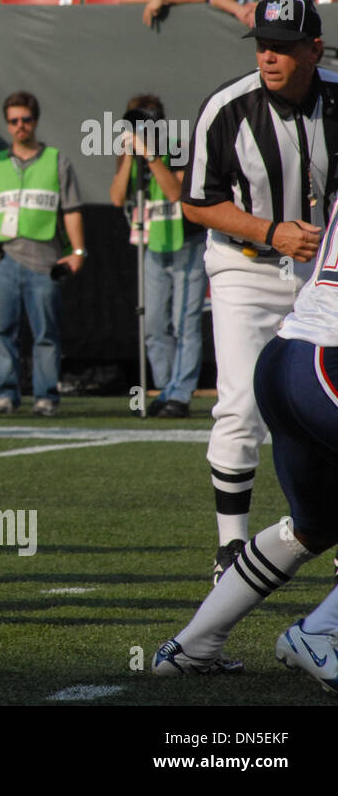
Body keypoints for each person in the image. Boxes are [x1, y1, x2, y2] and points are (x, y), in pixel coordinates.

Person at [153, 182, 338, 688]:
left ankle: (192, 645)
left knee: (315, 526)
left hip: (287, 357)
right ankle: (320, 632)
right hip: (326, 361)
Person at [181, 0, 337, 583]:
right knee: (242, 404)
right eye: (263, 45)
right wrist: (272, 231)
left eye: (282, 46)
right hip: (246, 266)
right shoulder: (228, 107)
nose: (269, 57)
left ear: (313, 49)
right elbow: (197, 203)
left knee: (330, 399)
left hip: (325, 274)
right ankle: (230, 548)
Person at [0, 91, 86, 417]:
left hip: (45, 259)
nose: (20, 126)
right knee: (1, 329)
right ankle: (6, 394)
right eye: (14, 121)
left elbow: (72, 210)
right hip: (1, 259)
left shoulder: (57, 160)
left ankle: (46, 396)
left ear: (35, 121)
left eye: (25, 119)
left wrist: (78, 251)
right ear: (8, 124)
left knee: (45, 333)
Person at [106, 94, 205, 417]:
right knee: (153, 324)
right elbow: (118, 196)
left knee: (183, 322)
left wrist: (150, 155)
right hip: (152, 244)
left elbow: (176, 191)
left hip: (185, 242)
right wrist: (128, 157)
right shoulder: (128, 153)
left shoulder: (176, 146)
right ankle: (165, 388)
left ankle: (181, 393)